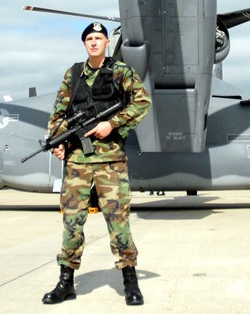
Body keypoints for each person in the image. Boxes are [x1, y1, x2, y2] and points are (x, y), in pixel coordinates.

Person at [42, 22, 152, 306]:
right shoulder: (73, 74)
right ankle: (66, 281)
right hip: (77, 161)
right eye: (89, 39)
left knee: (118, 222)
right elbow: (58, 114)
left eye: (98, 38)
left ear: (106, 42)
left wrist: (111, 123)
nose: (93, 43)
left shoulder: (121, 71)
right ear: (84, 44)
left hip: (110, 160)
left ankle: (130, 281)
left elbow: (142, 102)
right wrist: (59, 142)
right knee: (72, 221)